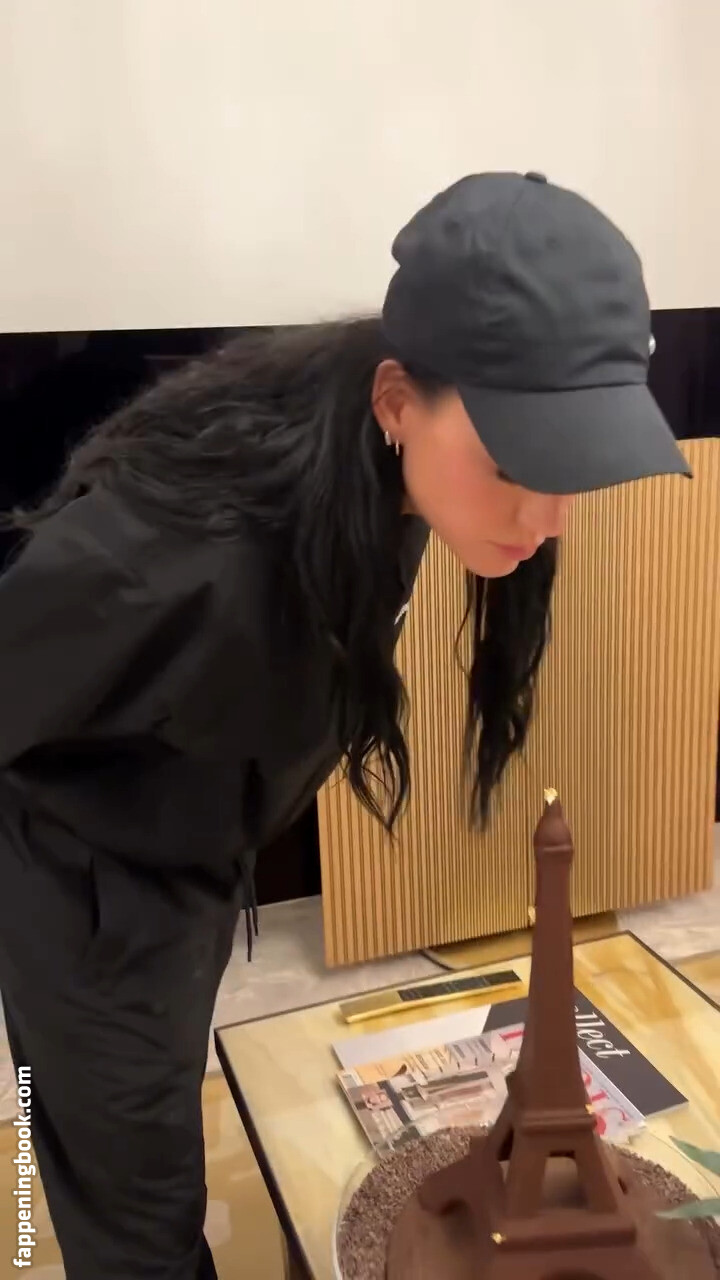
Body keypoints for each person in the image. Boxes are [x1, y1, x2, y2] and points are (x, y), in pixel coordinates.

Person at [0, 172, 688, 1278]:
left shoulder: (381, 472)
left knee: (148, 1125)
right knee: (126, 1195)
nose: (546, 518)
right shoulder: (166, 562)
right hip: (86, 888)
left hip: (189, 845)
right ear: (396, 401)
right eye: (514, 464)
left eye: (572, 465)